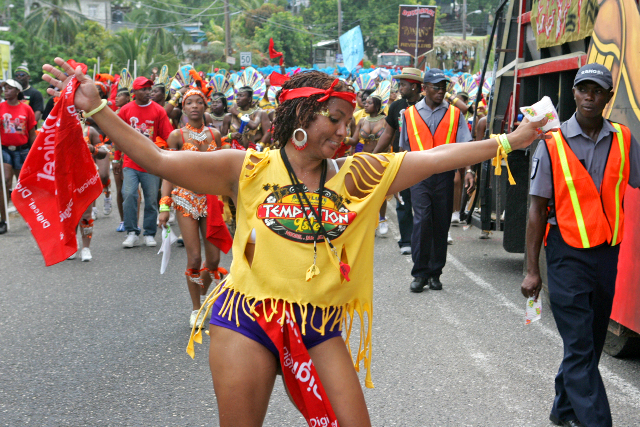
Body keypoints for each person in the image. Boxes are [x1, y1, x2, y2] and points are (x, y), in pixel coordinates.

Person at [44, 58, 546, 426]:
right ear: (302, 117)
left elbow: (440, 157)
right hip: (246, 318)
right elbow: (160, 162)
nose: (345, 131)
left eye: (349, 120)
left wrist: (513, 141)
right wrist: (100, 110)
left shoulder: (360, 175)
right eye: (335, 118)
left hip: (317, 324)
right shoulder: (246, 167)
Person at [521, 63, 640, 427]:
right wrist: (531, 270)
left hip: (607, 254)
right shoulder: (551, 143)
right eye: (583, 89)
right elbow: (536, 209)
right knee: (579, 344)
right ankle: (595, 421)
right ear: (573, 92)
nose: (589, 96)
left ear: (607, 96)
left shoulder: (623, 139)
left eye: (597, 90)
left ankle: (563, 410)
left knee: (588, 338)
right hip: (566, 254)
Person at [397, 69, 474, 293]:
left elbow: (466, 147)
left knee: (441, 223)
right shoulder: (408, 114)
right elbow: (404, 148)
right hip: (418, 176)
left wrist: (469, 170)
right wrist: (399, 177)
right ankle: (420, 273)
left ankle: (435, 273)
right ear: (425, 89)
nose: (441, 91)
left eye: (443, 87)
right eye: (436, 87)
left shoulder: (455, 115)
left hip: (444, 176)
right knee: (422, 221)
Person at [158, 88, 227, 327]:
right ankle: (196, 308)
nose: (195, 106)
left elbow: (222, 168)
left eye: (199, 102)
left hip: (210, 200)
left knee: (214, 260)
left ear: (205, 106)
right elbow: (168, 171)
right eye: (190, 103)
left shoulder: (215, 134)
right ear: (184, 108)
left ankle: (203, 295)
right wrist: (164, 205)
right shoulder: (176, 136)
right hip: (185, 199)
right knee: (194, 257)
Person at [115, 76, 173, 248]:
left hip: (151, 163)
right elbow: (118, 136)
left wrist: (170, 155)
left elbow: (167, 135)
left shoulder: (158, 110)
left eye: (149, 89)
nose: (148, 92)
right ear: (134, 92)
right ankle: (132, 232)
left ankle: (149, 233)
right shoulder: (125, 110)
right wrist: (116, 157)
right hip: (130, 162)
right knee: (130, 195)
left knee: (150, 198)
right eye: (144, 89)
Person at [373, 67, 425, 255]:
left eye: (402, 85)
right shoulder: (395, 106)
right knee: (403, 202)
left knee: (423, 203)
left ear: (414, 86)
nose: (399, 88)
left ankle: (423, 240)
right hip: (401, 161)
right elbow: (388, 134)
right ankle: (406, 241)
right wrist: (374, 155)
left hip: (424, 161)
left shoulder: (427, 105)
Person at [0, 79, 36, 234]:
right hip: (4, 150)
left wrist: (36, 153)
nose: (6, 90)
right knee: (4, 182)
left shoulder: (26, 109)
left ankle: (30, 218)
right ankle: (3, 220)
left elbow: (32, 133)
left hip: (22, 150)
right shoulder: (0, 107)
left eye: (9, 88)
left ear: (17, 91)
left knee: (23, 186)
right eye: (4, 88)